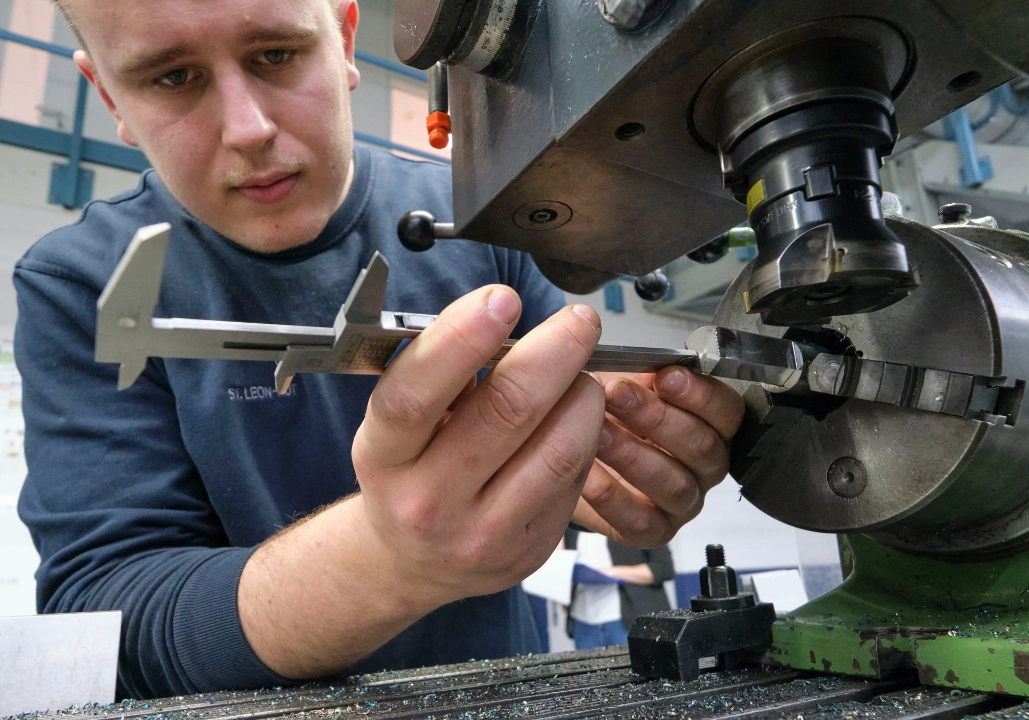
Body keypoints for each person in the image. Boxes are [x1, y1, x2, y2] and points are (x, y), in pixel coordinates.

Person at [14, 0, 743, 700]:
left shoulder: (484, 220)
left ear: (344, 40)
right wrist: (388, 562)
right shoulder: (78, 283)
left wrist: (632, 465)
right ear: (107, 96)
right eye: (173, 77)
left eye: (277, 54)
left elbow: (592, 461)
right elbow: (106, 618)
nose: (248, 128)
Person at [564, 528, 674, 649]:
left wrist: (610, 573)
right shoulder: (572, 526)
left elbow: (664, 568)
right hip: (582, 620)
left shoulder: (636, 522)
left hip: (628, 619)